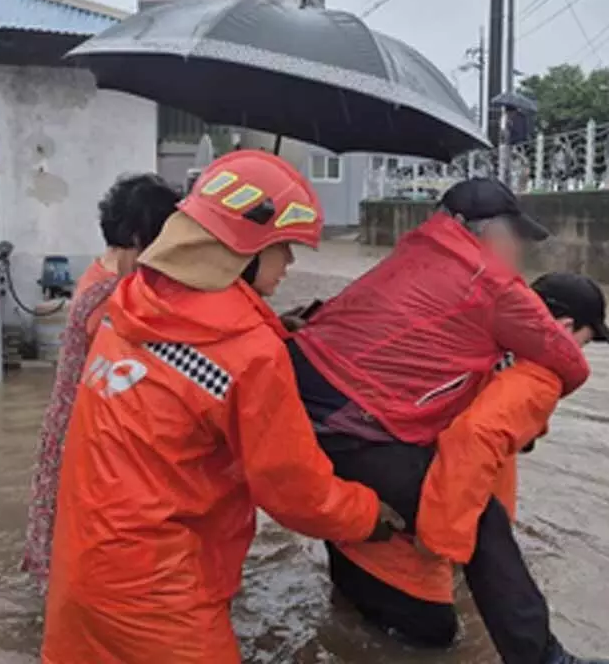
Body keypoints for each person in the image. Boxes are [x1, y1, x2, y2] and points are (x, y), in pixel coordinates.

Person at [41, 150, 403, 664]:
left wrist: (272, 326)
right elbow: (294, 491)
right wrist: (367, 515)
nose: (291, 265)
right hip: (162, 596)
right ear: (243, 250)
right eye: (283, 249)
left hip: (79, 580)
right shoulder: (250, 352)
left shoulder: (129, 302)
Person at [285, 177, 609, 662]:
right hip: (349, 432)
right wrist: (444, 538)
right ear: (489, 233)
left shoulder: (410, 260)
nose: (520, 254)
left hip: (310, 423)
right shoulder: (495, 290)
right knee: (476, 532)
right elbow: (565, 366)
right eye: (517, 239)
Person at [21, 173, 180, 592]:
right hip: (88, 434)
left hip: (77, 426)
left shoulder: (101, 277)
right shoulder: (111, 297)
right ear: (136, 236)